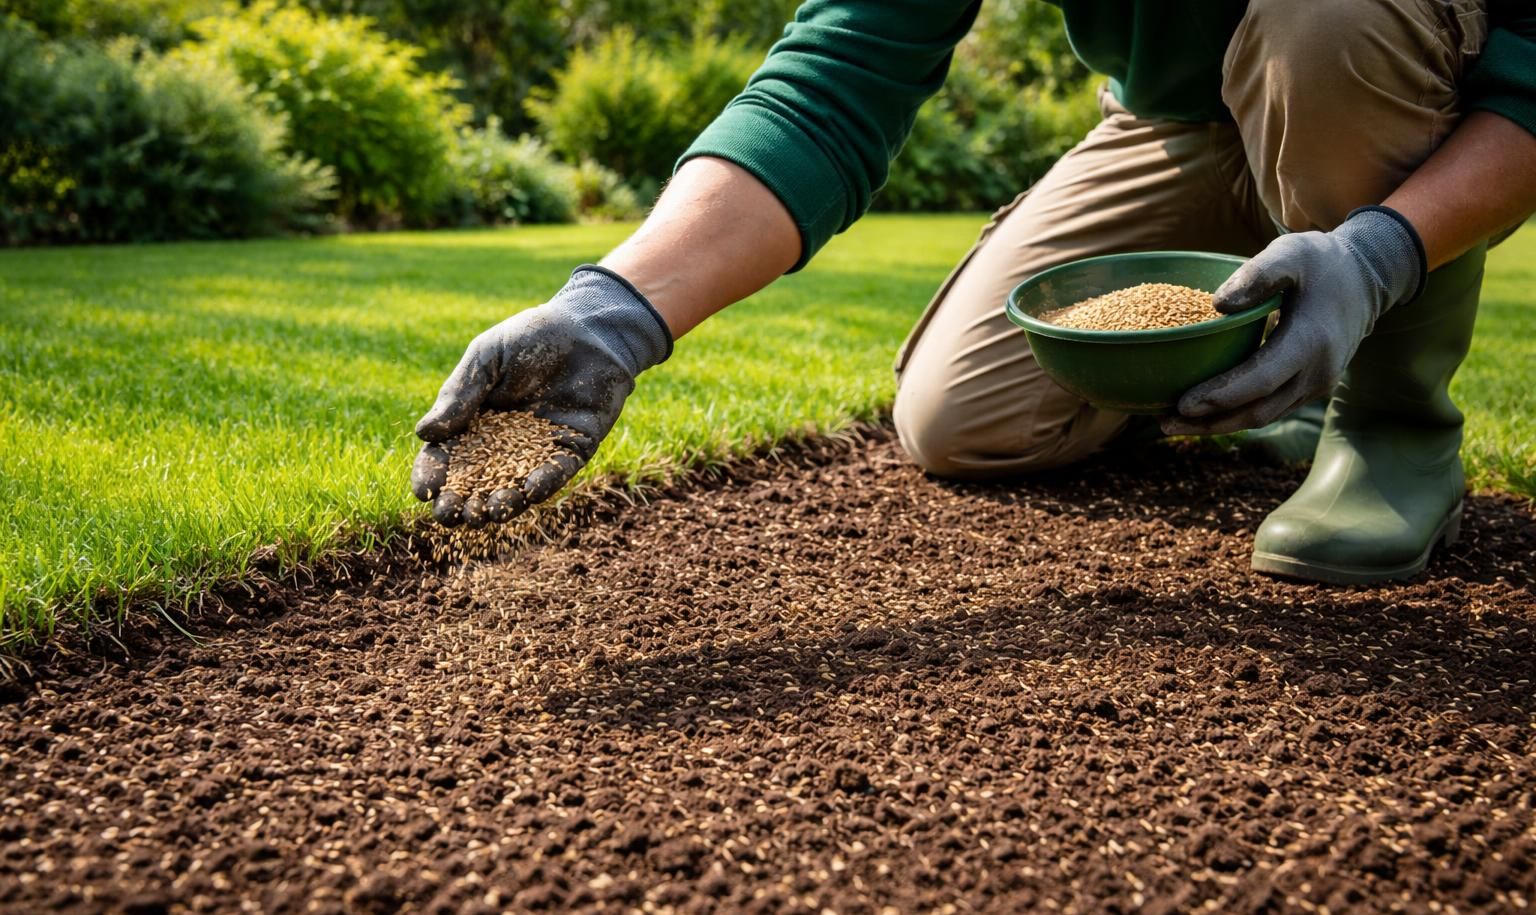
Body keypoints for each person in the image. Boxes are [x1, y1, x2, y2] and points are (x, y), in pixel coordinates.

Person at [411, 0, 1536, 584]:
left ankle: (1388, 427)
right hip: (1175, 121)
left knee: (1328, 19)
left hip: (1373, 75)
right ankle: (1260, 369)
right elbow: (836, 79)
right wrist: (617, 307)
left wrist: (1381, 252)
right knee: (965, 415)